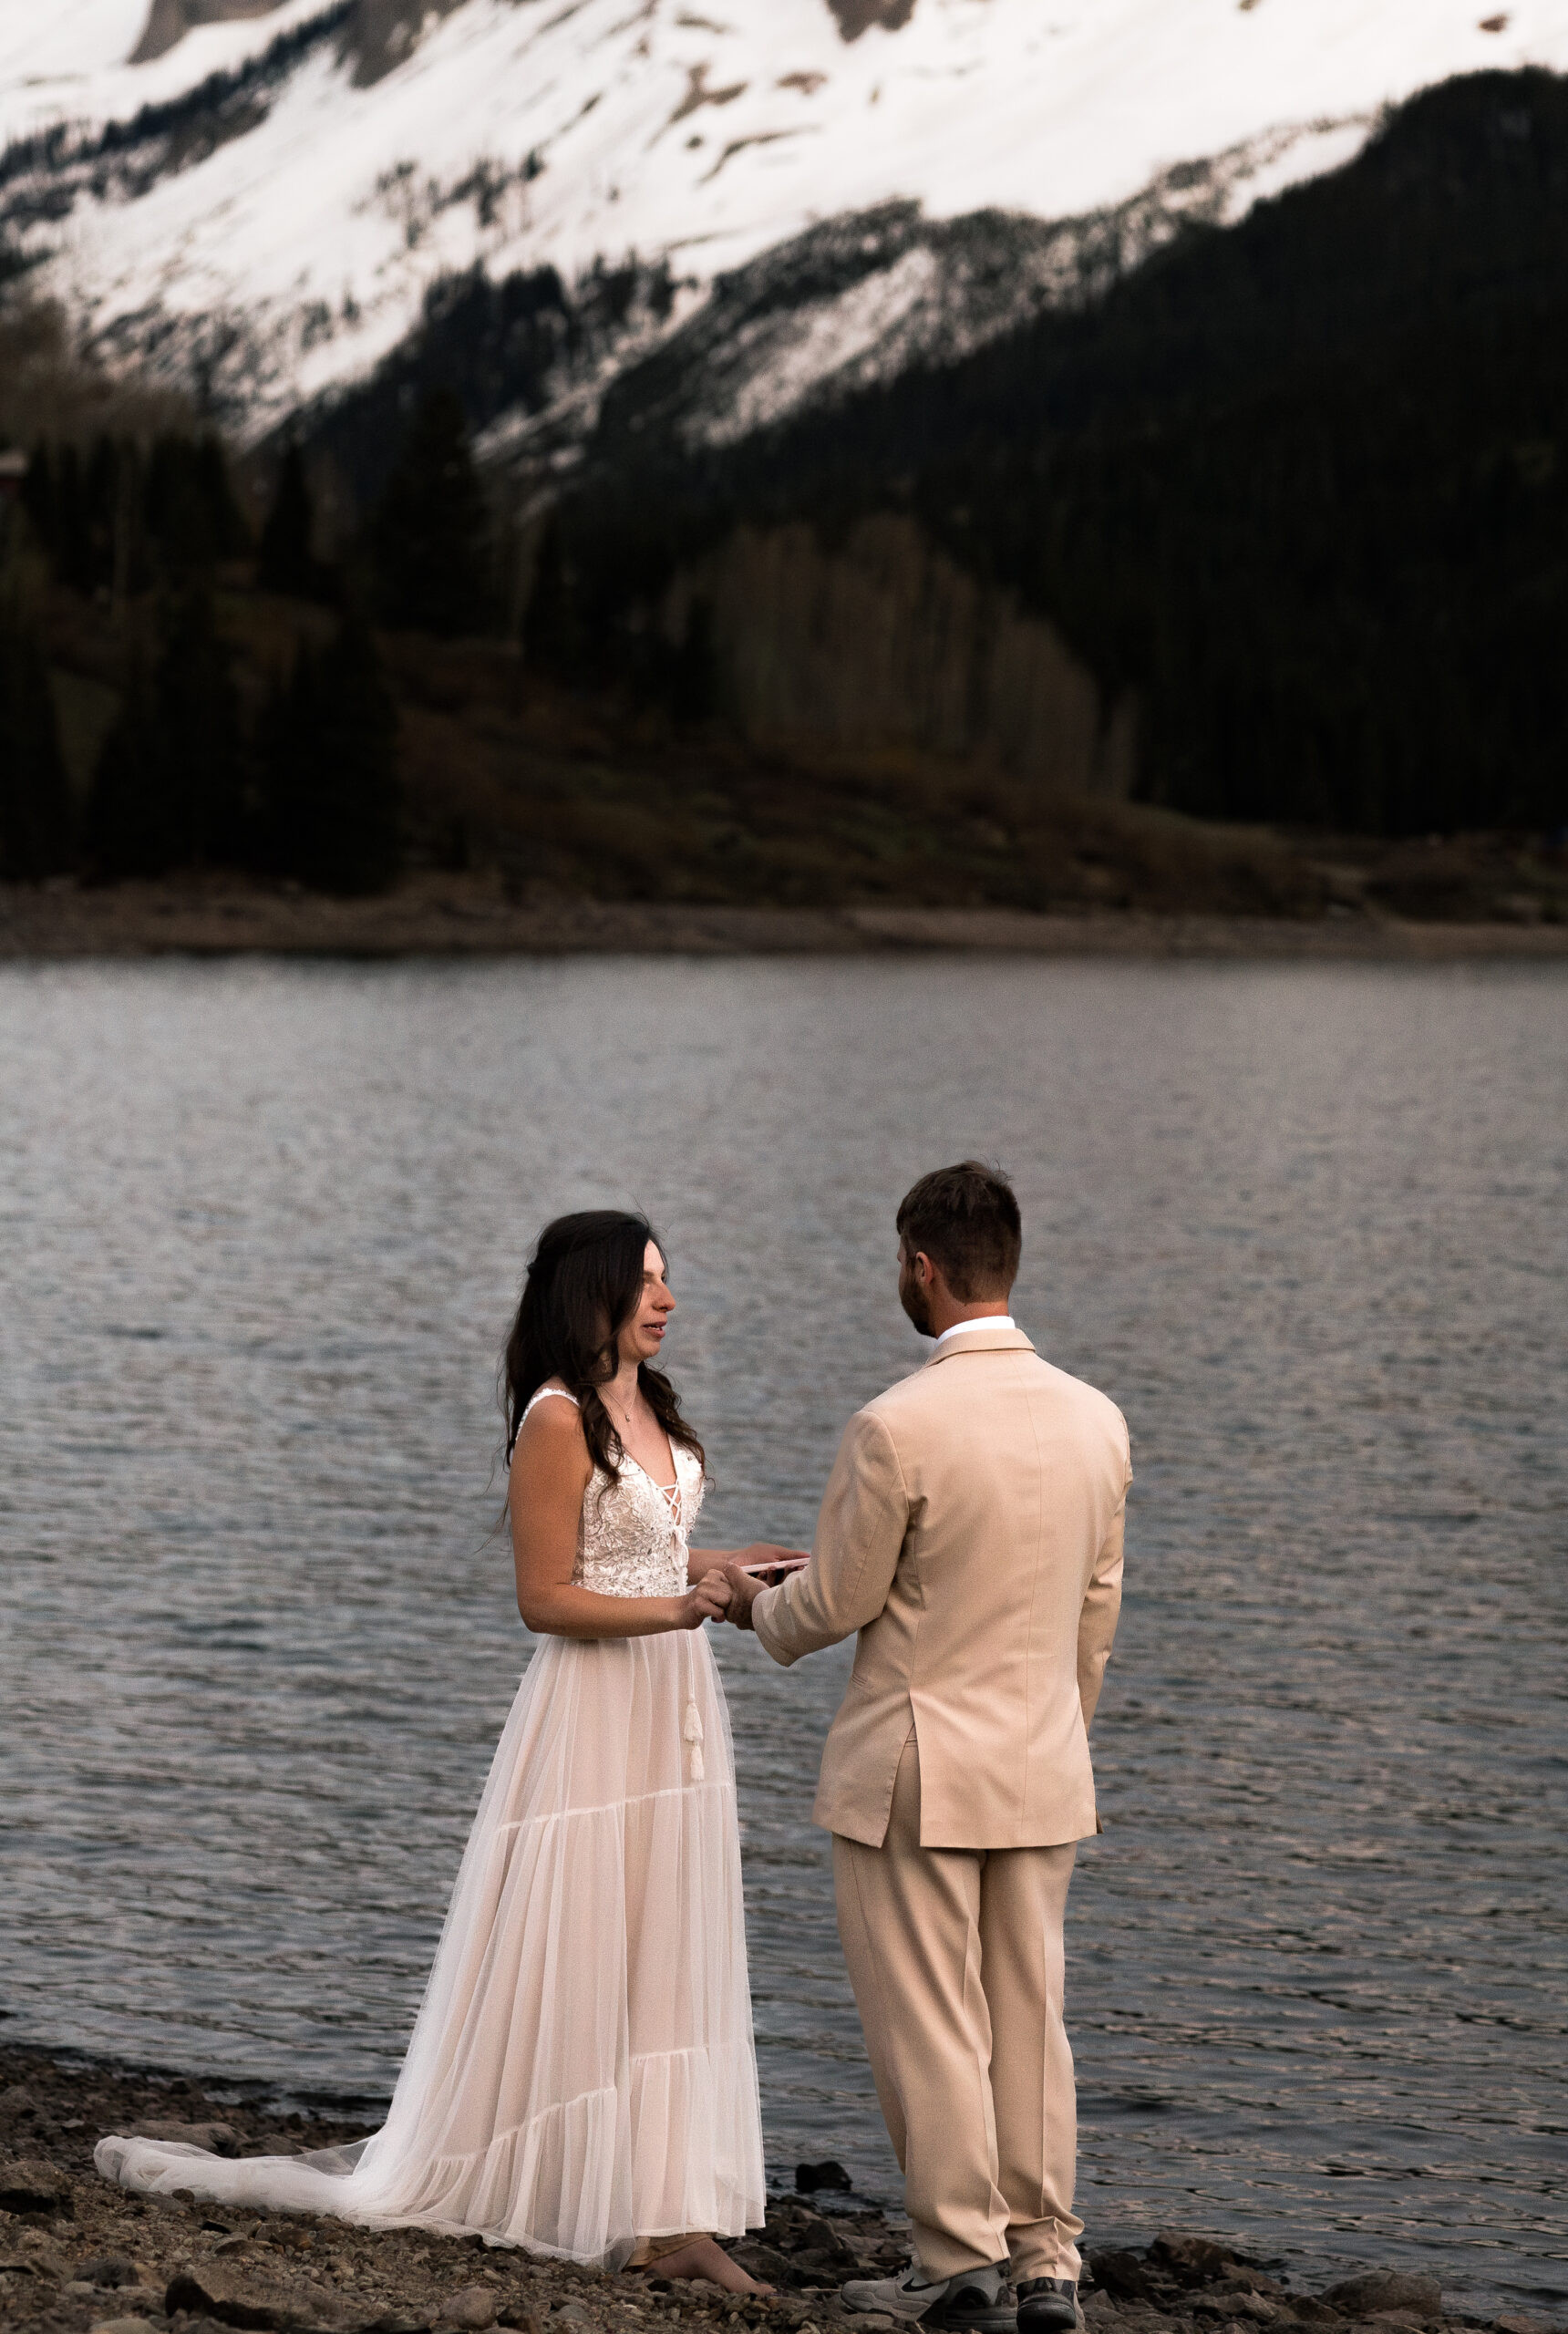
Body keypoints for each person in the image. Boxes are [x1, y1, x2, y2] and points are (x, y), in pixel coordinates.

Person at [98, 1210, 805, 2284]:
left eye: (667, 1281)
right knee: (585, 1929)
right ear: (593, 1293)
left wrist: (725, 1557)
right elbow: (546, 1595)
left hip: (673, 1702)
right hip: (597, 1704)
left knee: (662, 1936)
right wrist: (684, 1609)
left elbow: (640, 1544)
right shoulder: (557, 1417)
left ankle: (663, 2205)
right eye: (645, 1283)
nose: (665, 1300)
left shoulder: (643, 1401)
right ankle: (580, 2183)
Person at [724, 1163, 1130, 2334]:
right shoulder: (1095, 1418)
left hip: (910, 1767)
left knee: (931, 2019)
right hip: (1044, 1760)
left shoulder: (896, 1423)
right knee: (1027, 2015)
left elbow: (838, 1602)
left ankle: (955, 2262)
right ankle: (1049, 2260)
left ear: (919, 1265)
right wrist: (1054, 1734)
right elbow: (1093, 1614)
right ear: (1009, 1260)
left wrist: (749, 1603)